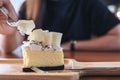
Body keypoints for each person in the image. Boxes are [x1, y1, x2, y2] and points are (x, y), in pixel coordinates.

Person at [0, 0, 120, 54]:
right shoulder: (29, 5)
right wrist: (9, 33)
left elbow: (118, 39)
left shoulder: (89, 4)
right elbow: (8, 49)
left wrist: (71, 46)